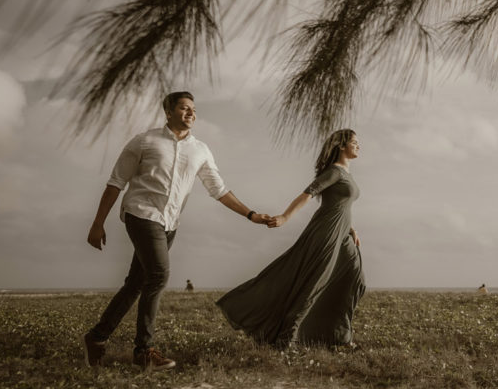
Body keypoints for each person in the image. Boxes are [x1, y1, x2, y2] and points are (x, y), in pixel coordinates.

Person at [83, 91, 271, 370]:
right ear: (168, 111)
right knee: (159, 275)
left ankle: (96, 338)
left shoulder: (201, 150)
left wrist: (251, 214)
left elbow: (218, 189)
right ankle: (143, 351)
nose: (191, 113)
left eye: (194, 109)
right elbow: (116, 182)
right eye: (184, 108)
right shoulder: (144, 141)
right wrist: (98, 223)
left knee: (136, 283)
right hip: (141, 213)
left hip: (170, 223)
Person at [217, 129, 365, 349]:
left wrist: (351, 228)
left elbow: (338, 205)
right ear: (341, 146)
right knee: (315, 283)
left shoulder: (347, 174)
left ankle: (336, 335)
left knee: (355, 280)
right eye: (354, 142)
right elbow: (307, 194)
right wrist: (285, 217)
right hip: (326, 233)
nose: (358, 146)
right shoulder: (335, 172)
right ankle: (289, 338)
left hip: (342, 233)